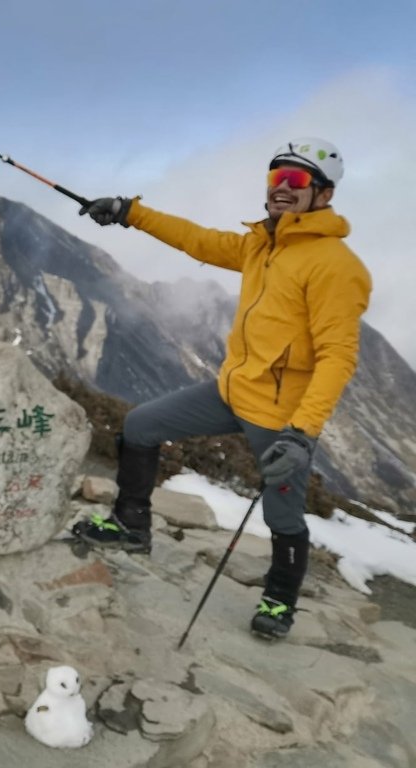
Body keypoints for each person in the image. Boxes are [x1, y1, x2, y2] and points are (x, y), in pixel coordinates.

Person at [72, 138, 372, 640]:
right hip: (232, 391)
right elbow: (198, 240)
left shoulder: (335, 266)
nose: (281, 187)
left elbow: (337, 357)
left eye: (296, 180)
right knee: (141, 425)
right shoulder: (262, 245)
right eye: (275, 177)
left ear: (323, 194)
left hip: (280, 417)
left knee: (282, 511)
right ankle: (131, 527)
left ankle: (279, 602)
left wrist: (301, 434)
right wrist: (128, 212)